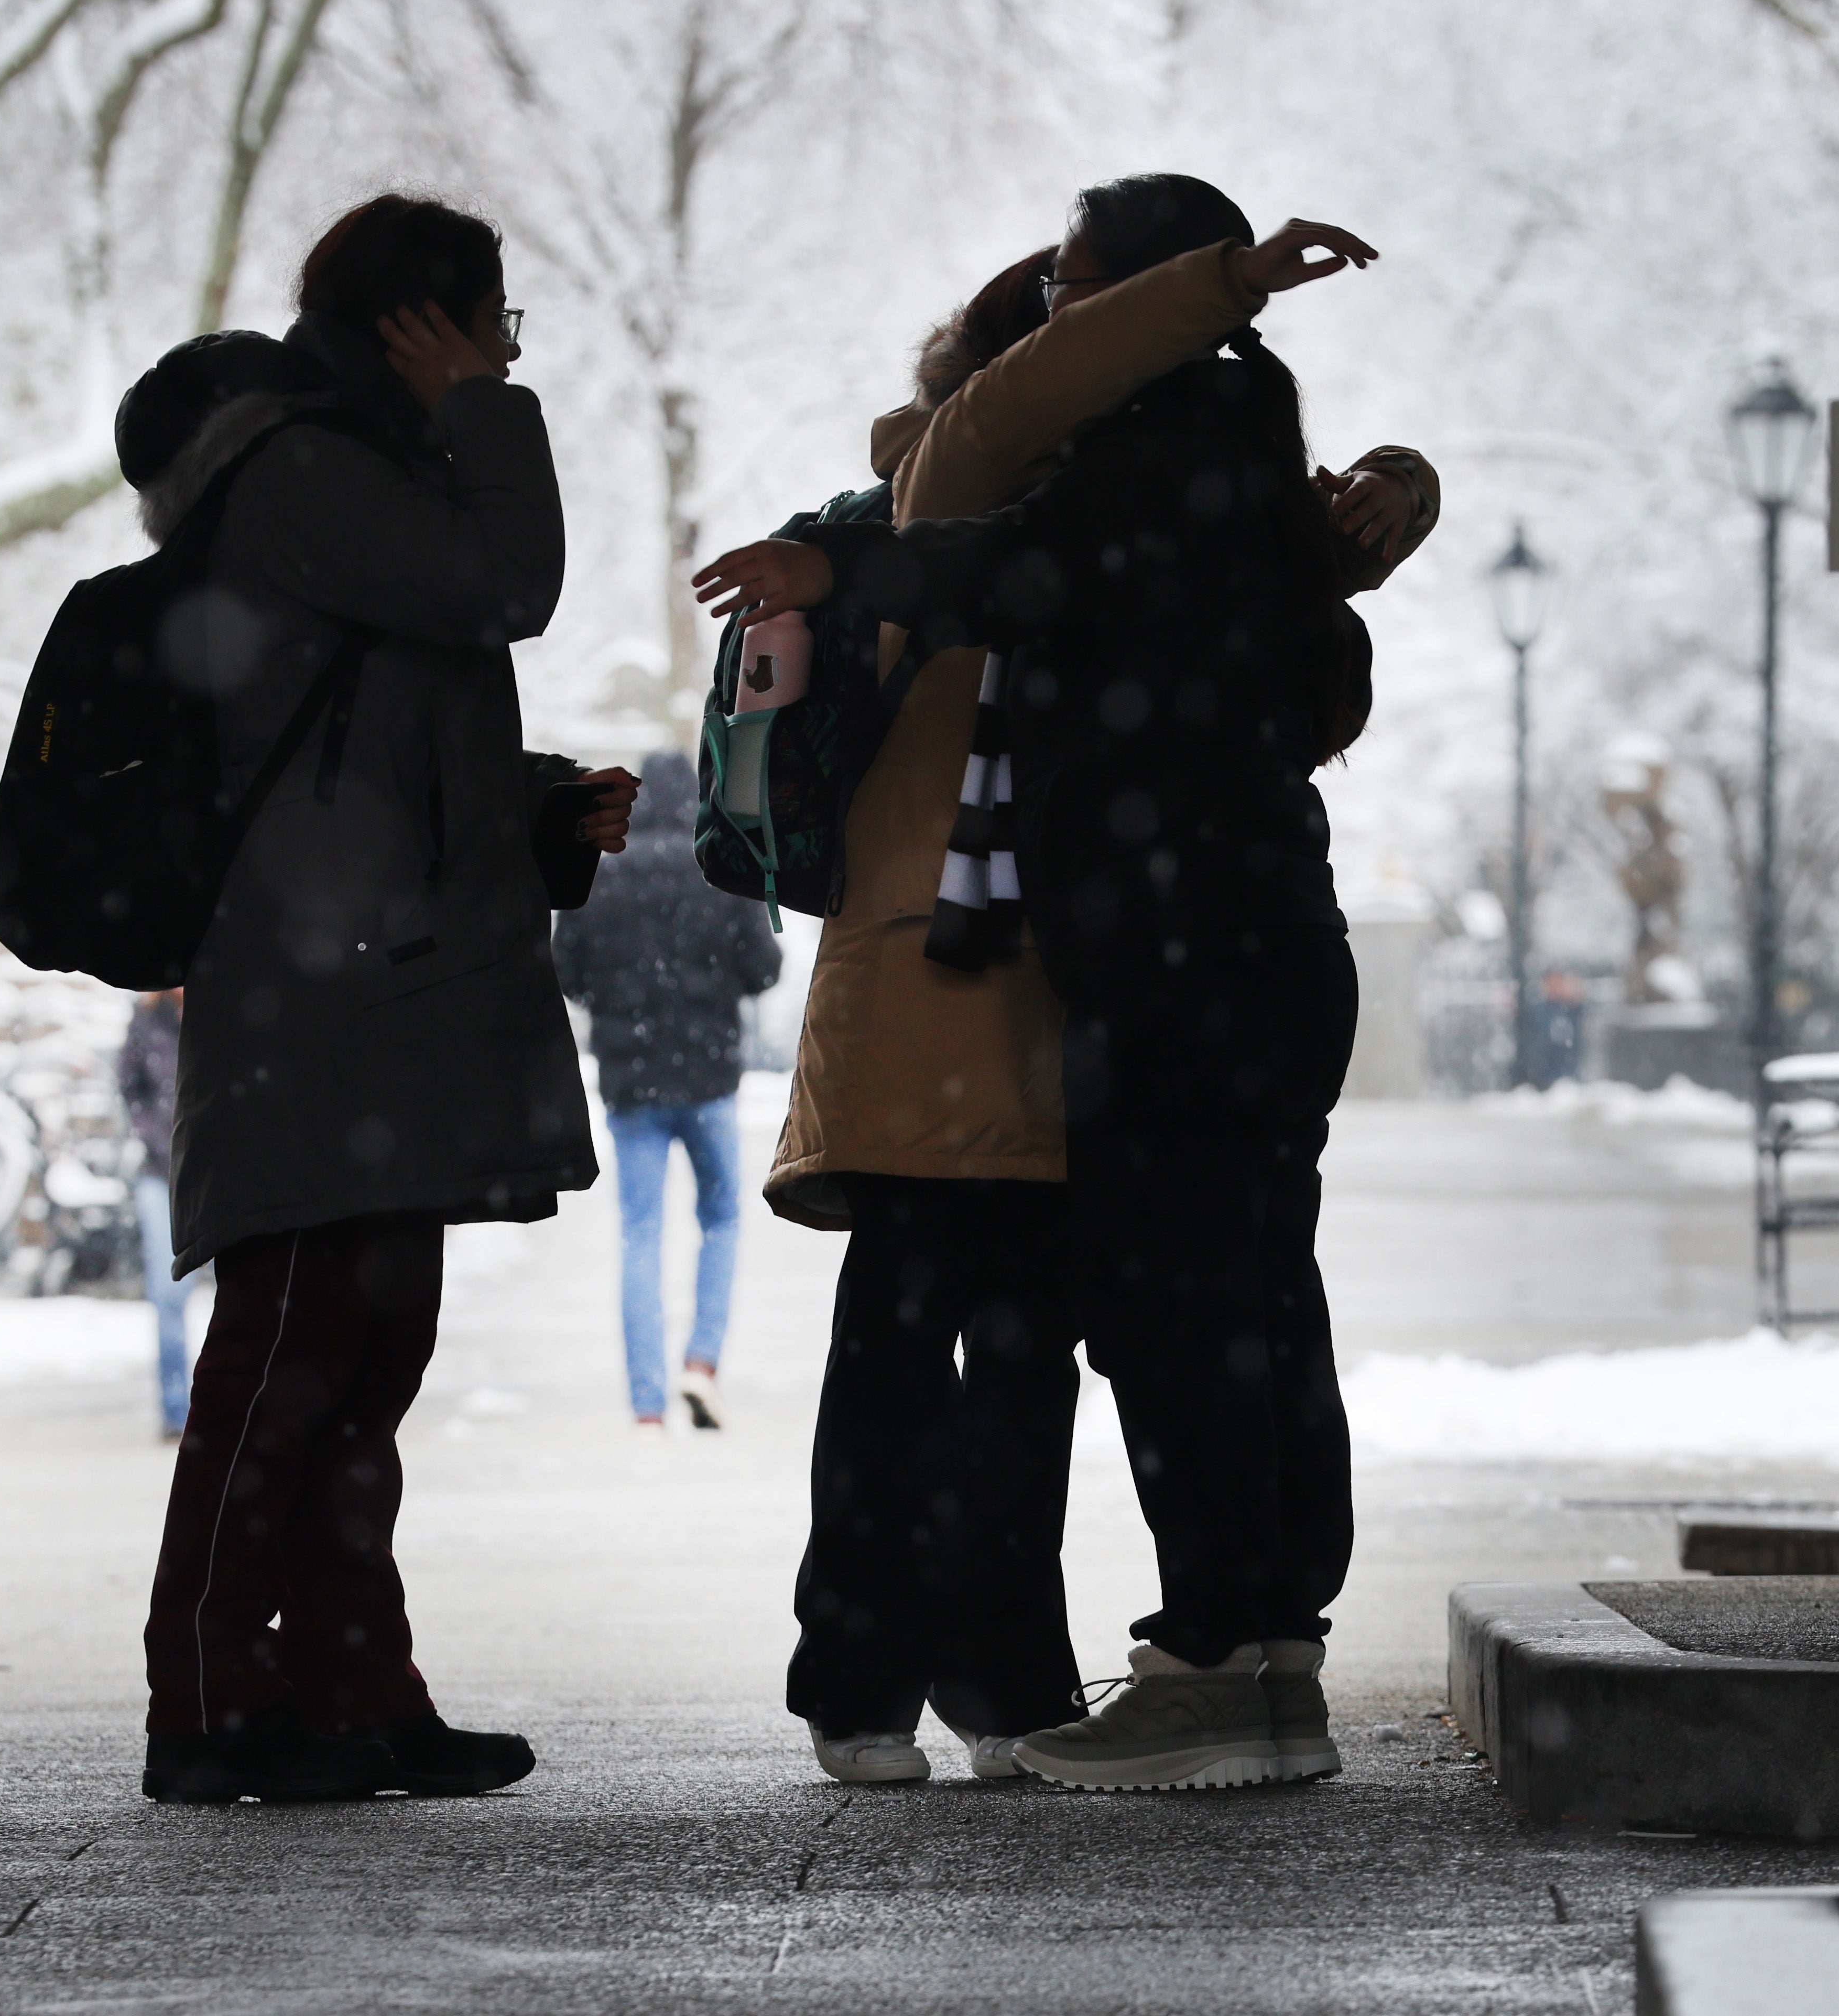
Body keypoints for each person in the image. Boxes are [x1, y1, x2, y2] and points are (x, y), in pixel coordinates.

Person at [699, 175, 1401, 1796]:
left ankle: (1053, 1673)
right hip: (952, 1003)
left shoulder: (1155, 494)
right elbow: (993, 536)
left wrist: (1377, 499)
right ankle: (876, 1676)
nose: (1076, 344)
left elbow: (1299, 669)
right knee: (938, 1354)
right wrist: (1215, 291)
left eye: (1095, 304)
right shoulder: (929, 497)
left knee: (1088, 1349)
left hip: (1092, 996)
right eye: (1060, 320)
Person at [128, 193, 636, 1808]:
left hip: (371, 988)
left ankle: (353, 1687)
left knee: (358, 1367)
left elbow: (378, 741)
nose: (503, 357)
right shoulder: (304, 475)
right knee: (288, 1354)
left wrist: (535, 808)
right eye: (492, 326)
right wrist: (488, 414)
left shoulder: (351, 481)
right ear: (421, 326)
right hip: (319, 1000)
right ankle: (208, 1698)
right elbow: (507, 585)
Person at [550, 749, 784, 1430]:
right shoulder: (719, 867)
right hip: (709, 1079)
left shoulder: (599, 872)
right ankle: (700, 1364)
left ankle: (647, 1404)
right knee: (721, 1219)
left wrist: (620, 999)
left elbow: (566, 973)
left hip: (631, 1085)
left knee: (639, 1234)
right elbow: (762, 968)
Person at [114, 988, 197, 1440]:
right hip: (160, 1172)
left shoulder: (226, 1003)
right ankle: (176, 1410)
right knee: (168, 1296)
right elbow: (129, 1085)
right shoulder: (148, 1018)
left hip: (217, 1173)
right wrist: (154, 1136)